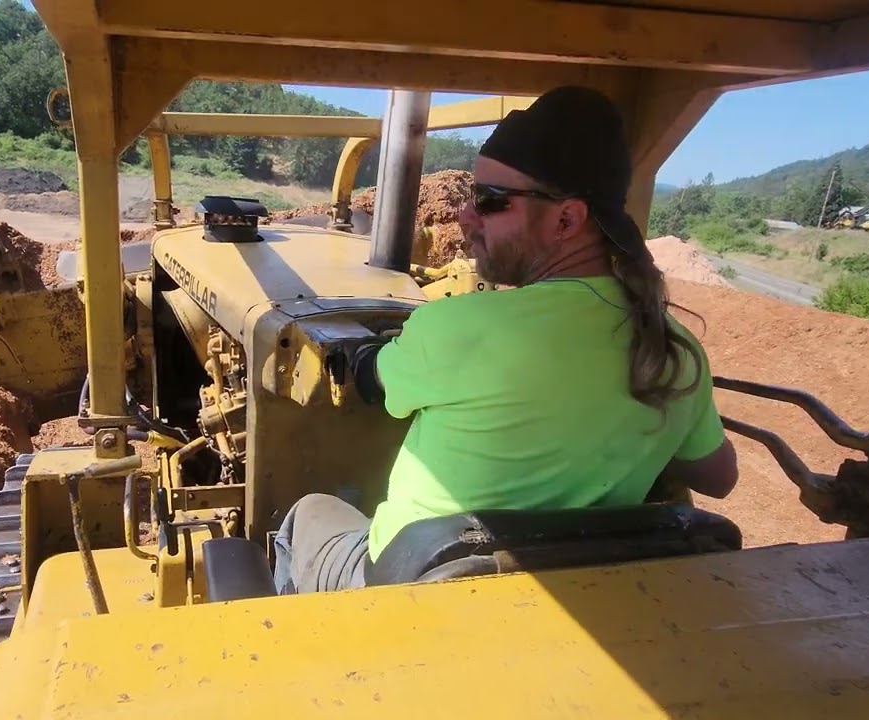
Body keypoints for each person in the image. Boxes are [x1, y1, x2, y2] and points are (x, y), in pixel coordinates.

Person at [271, 85, 739, 595]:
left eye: (491, 202)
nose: (466, 216)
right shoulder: (675, 351)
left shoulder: (456, 327)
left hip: (412, 591)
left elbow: (372, 379)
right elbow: (718, 478)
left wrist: (363, 353)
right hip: (578, 588)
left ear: (567, 218)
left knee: (307, 514)